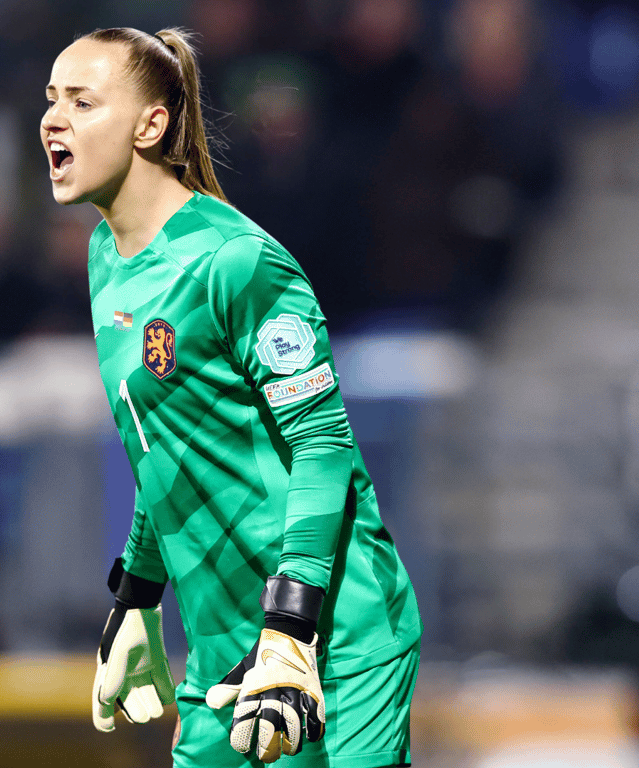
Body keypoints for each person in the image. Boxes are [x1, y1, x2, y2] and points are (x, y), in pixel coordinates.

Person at [41, 27, 422, 767]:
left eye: (82, 103)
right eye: (51, 101)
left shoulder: (237, 261)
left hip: (337, 638)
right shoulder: (105, 257)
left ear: (150, 125)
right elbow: (167, 441)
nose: (54, 120)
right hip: (225, 648)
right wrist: (137, 596)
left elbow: (324, 445)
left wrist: (289, 630)